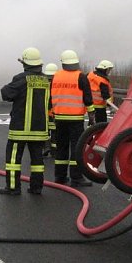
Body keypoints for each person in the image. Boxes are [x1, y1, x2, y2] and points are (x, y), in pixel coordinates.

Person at [0, 47, 51, 195]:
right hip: (39, 129)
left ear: (25, 63)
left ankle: (13, 188)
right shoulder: (46, 80)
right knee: (37, 161)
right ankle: (36, 188)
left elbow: (6, 94)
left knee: (13, 160)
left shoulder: (21, 79)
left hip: (20, 129)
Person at [51, 49, 95, 187]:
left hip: (59, 118)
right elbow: (88, 98)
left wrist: (51, 114)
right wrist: (92, 115)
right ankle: (76, 177)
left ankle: (60, 177)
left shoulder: (55, 76)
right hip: (75, 119)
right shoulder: (81, 77)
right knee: (76, 148)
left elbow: (50, 98)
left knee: (61, 148)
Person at [43, 62, 58, 158]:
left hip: (43, 112)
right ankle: (54, 150)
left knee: (45, 131)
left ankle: (46, 147)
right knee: (55, 132)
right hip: (54, 112)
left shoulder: (42, 83)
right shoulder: (58, 84)